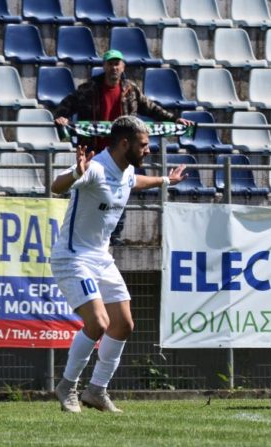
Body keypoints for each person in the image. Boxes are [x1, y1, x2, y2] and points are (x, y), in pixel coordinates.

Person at [52, 115, 187, 413]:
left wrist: (167, 180)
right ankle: (67, 386)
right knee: (98, 323)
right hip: (73, 258)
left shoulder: (125, 171)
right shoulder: (95, 169)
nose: (149, 150)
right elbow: (56, 186)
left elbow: (135, 182)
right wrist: (75, 172)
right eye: (144, 145)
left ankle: (97, 390)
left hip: (101, 258)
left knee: (123, 324)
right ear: (124, 143)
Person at [53, 49, 193, 246]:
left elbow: (151, 109)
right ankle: (81, 240)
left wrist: (175, 120)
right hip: (96, 154)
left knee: (118, 196)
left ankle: (112, 239)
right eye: (110, 63)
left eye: (117, 63)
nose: (114, 67)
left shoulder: (131, 90)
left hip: (122, 156)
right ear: (104, 66)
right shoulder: (89, 89)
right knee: (91, 196)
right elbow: (66, 105)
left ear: (123, 67)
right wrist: (61, 116)